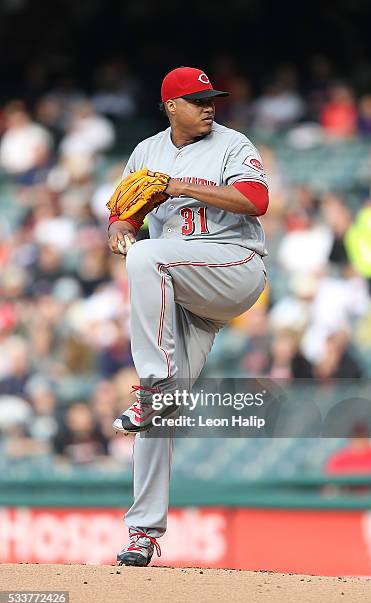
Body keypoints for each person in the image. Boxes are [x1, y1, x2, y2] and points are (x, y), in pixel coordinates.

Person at [107, 67, 269, 566]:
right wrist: (118, 227)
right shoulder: (145, 152)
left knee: (149, 256)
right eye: (197, 100)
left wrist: (181, 186)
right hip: (183, 287)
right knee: (162, 411)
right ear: (170, 106)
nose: (208, 106)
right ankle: (143, 533)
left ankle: (153, 386)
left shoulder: (232, 144)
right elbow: (124, 210)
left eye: (211, 98)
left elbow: (257, 201)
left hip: (234, 265)